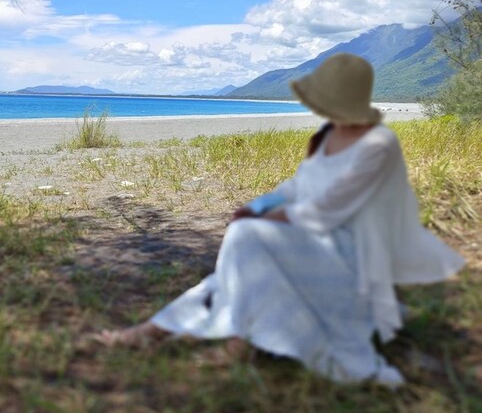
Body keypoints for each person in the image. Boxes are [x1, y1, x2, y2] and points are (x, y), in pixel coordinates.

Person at [94, 53, 464, 385]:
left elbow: (330, 208)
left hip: (349, 254)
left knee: (248, 241)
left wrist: (268, 220)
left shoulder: (378, 145)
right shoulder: (327, 134)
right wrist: (258, 206)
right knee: (236, 263)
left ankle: (233, 340)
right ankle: (154, 331)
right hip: (311, 241)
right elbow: (298, 185)